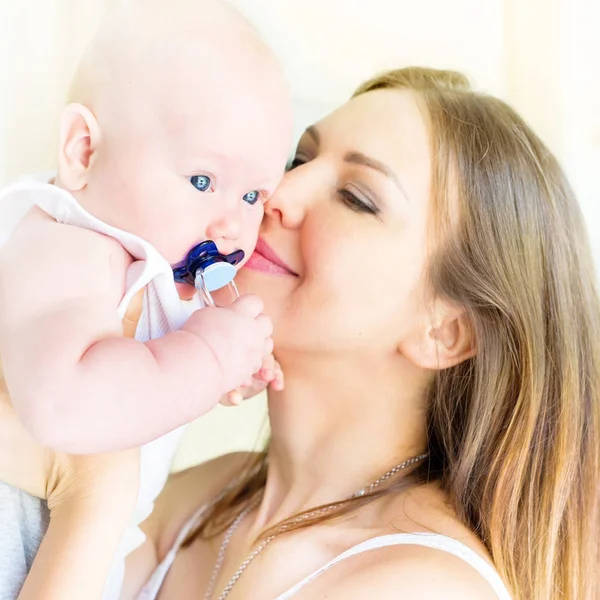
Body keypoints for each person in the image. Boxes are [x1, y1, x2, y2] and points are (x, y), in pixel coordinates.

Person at [7, 67, 600, 600]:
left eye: (356, 198)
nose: (275, 197)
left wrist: (97, 500)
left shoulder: (422, 586)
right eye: (296, 161)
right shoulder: (195, 505)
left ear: (445, 331)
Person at [0, 0, 291, 598]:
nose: (233, 224)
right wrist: (204, 358)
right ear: (84, 152)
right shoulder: (68, 244)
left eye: (255, 195)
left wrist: (212, 373)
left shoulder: (150, 261)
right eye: (204, 181)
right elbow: (63, 406)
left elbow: (136, 390)